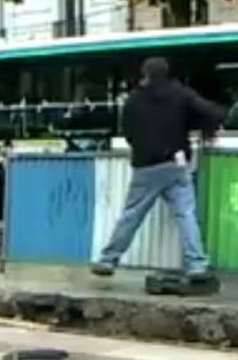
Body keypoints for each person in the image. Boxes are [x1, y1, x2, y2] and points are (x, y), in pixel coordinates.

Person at [92, 57, 225, 279]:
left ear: (145, 74)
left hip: (146, 166)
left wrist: (144, 148)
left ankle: (108, 260)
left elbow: (128, 132)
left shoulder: (134, 100)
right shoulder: (181, 93)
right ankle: (197, 264)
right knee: (186, 214)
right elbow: (212, 113)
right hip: (177, 163)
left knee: (132, 214)